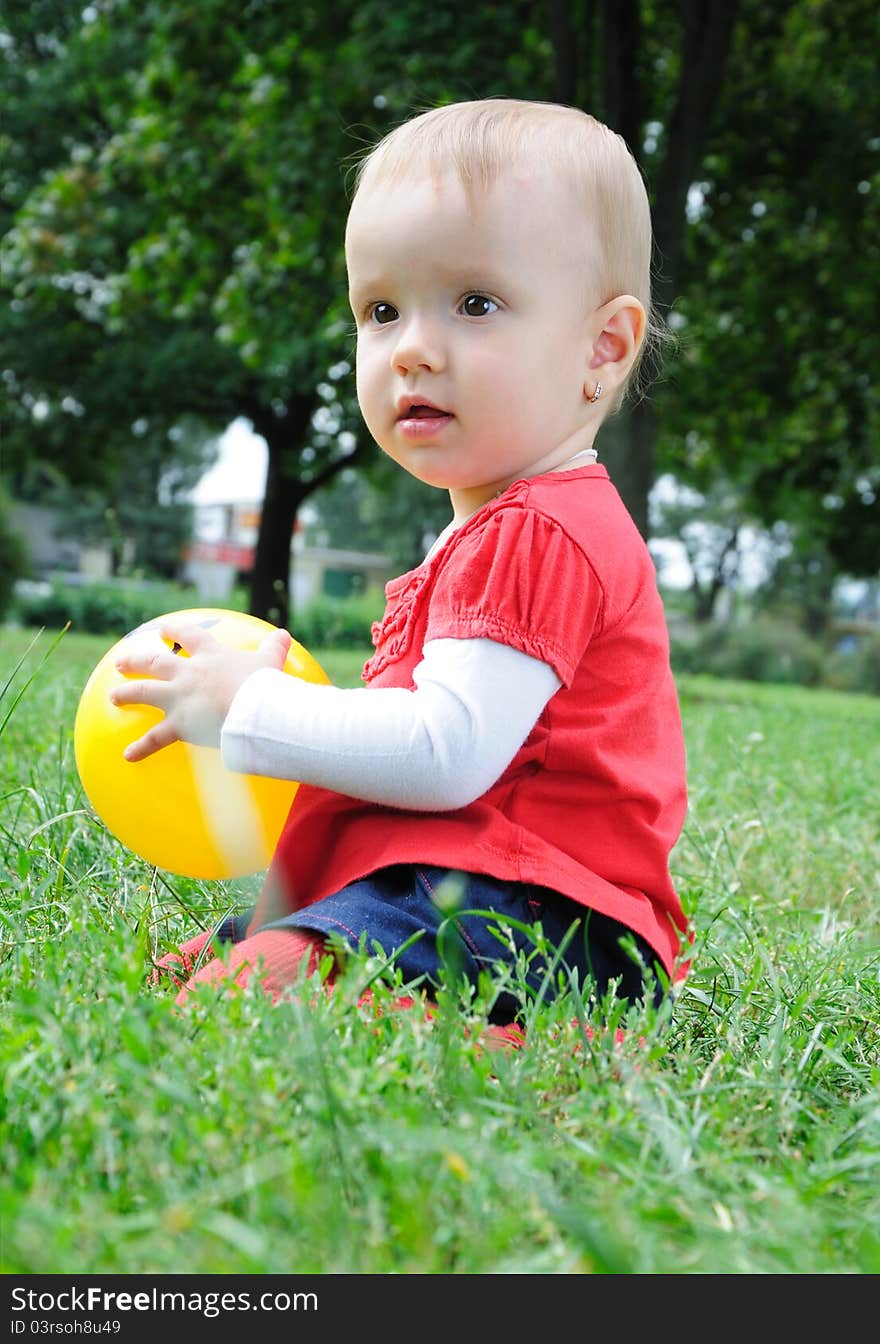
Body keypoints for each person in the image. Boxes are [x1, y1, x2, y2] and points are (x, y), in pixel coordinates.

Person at [111, 97, 689, 1040]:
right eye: (380, 310)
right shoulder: (507, 524)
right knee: (211, 961)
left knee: (253, 998)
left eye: (475, 303)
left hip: (543, 917)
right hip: (467, 887)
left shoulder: (540, 531)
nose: (413, 347)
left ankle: (534, 1042)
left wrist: (247, 709)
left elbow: (446, 751)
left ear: (602, 347)